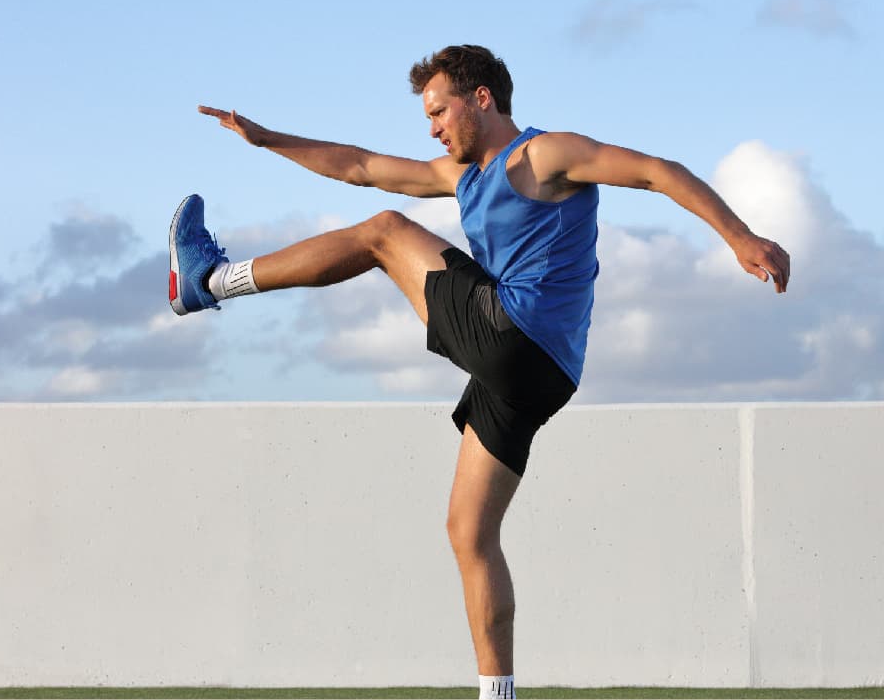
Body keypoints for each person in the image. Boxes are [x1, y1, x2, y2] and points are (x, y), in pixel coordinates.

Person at [170, 44, 789, 699]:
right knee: (469, 530)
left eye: (439, 110)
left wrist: (739, 235)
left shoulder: (542, 155)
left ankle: (209, 280)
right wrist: (267, 140)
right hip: (541, 375)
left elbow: (656, 171)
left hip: (515, 333)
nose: (432, 127)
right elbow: (359, 166)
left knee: (383, 231)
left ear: (482, 99)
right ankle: (498, 696)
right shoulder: (460, 176)